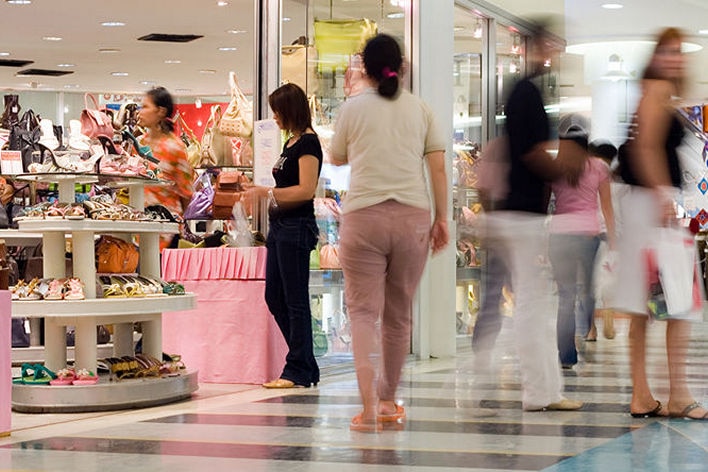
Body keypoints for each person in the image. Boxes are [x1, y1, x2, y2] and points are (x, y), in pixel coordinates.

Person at [330, 34, 449, 432]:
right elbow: (437, 169)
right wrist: (442, 218)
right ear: (403, 65)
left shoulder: (352, 108)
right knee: (399, 317)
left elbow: (338, 157)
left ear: (364, 67)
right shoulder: (421, 110)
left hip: (363, 216)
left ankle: (366, 408)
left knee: (362, 313)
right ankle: (386, 400)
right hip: (413, 218)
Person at [482, 24, 584, 412]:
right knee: (532, 302)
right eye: (552, 45)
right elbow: (531, 152)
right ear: (539, 46)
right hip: (520, 214)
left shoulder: (527, 91)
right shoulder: (526, 92)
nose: (555, 53)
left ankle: (545, 391)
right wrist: (564, 166)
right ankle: (539, 393)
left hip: (518, 212)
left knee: (534, 300)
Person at [613, 27, 707, 419]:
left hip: (644, 208)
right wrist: (663, 193)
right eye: (666, 51)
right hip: (654, 209)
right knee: (678, 304)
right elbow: (646, 146)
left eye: (678, 51)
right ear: (654, 56)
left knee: (646, 306)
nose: (673, 58)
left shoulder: (655, 93)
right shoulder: (654, 90)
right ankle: (678, 395)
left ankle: (643, 395)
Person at [244, 83, 322, 389]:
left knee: (295, 300)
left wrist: (268, 193)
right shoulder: (291, 142)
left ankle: (298, 369)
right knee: (275, 296)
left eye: (277, 111)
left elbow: (306, 189)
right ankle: (305, 363)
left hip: (296, 228)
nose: (274, 117)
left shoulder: (308, 144)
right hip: (280, 229)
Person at [548, 119, 615, 369]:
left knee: (565, 296)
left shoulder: (554, 167)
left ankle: (566, 355)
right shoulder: (599, 166)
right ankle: (587, 328)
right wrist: (615, 242)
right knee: (587, 291)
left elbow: (546, 202)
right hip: (588, 236)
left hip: (559, 234)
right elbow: (607, 208)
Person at [139, 86, 193, 249]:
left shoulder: (174, 147)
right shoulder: (139, 143)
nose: (140, 111)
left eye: (146, 106)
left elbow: (186, 192)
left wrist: (178, 220)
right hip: (139, 225)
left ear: (161, 111)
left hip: (166, 228)